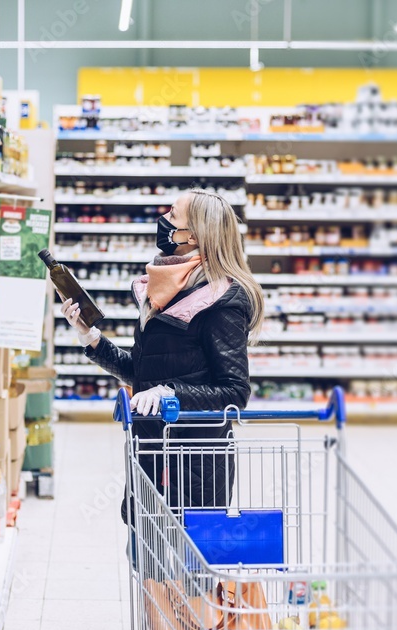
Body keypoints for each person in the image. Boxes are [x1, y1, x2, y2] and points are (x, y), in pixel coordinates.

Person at [58, 187, 265, 529]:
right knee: (148, 558)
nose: (163, 221)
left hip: (194, 462)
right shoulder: (166, 288)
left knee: (188, 564)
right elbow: (143, 375)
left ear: (193, 235)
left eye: (172, 215)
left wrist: (169, 392)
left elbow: (234, 392)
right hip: (153, 447)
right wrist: (90, 338)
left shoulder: (223, 300)